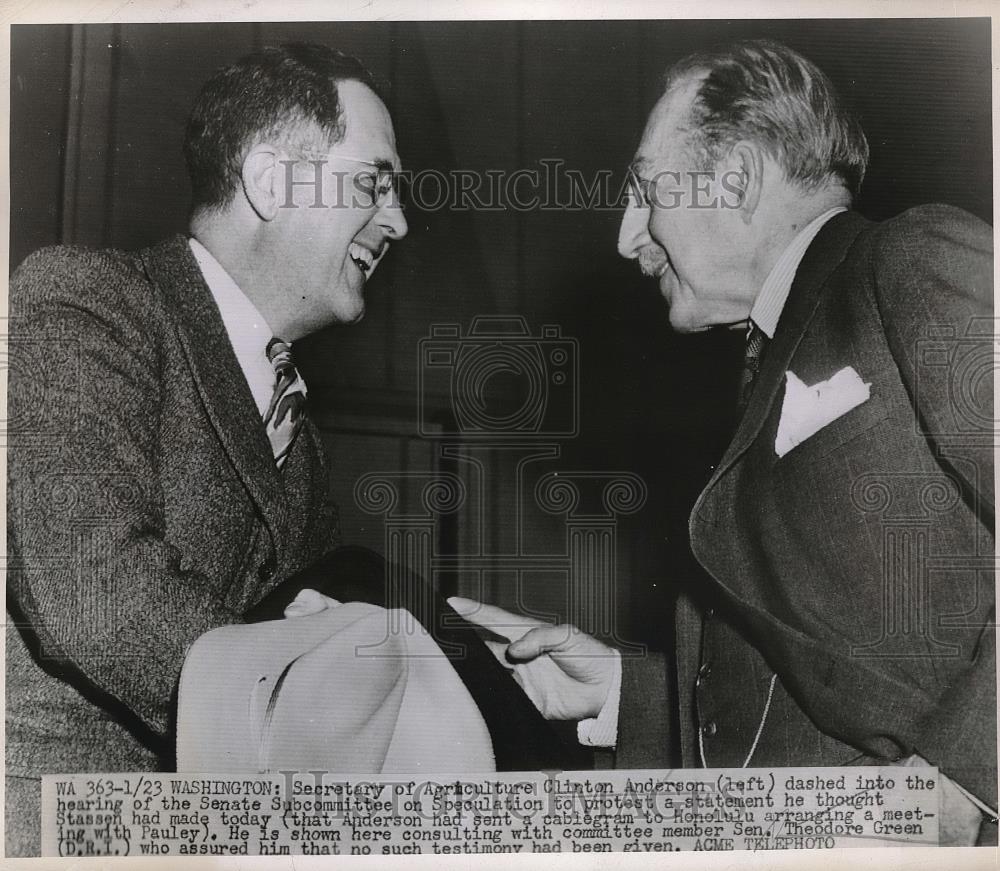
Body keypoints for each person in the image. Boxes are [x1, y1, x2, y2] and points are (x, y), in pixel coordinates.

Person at [6, 42, 575, 857]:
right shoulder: (89, 301)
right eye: (374, 183)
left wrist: (464, 669)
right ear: (272, 182)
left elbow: (303, 626)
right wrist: (324, 677)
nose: (399, 221)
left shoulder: (295, 432)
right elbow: (94, 589)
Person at [452, 38, 996, 846]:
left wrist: (966, 782)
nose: (627, 237)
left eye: (646, 189)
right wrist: (619, 689)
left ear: (736, 178)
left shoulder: (908, 260)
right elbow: (795, 682)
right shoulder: (759, 364)